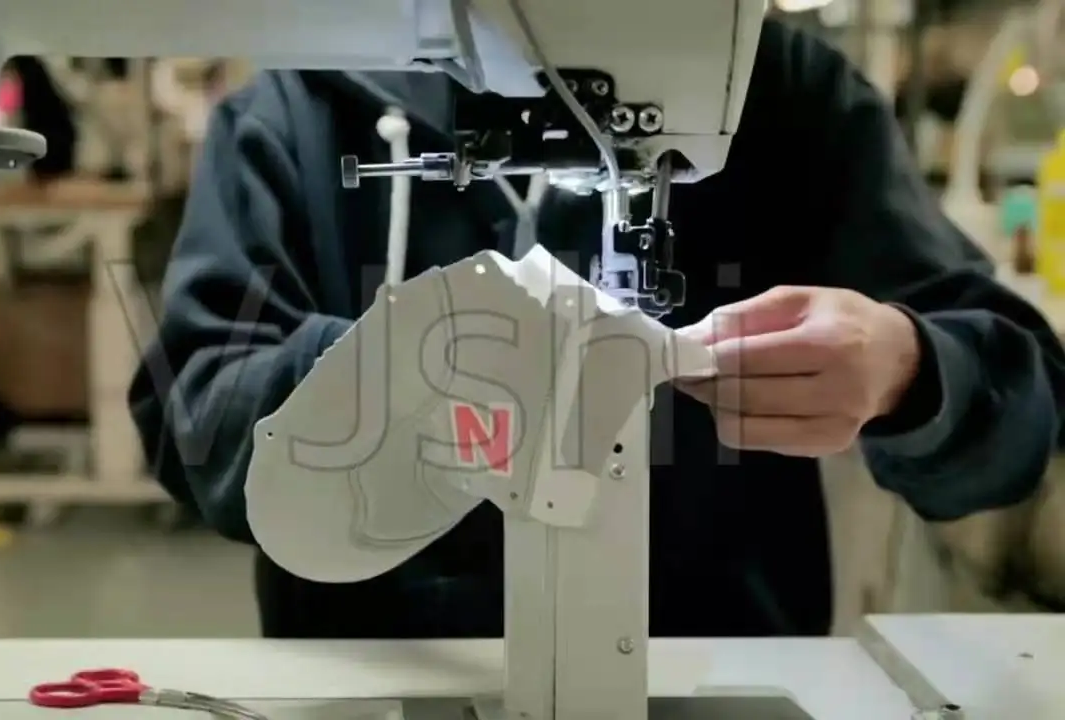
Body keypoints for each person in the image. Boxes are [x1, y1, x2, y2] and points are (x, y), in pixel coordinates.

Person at [129, 19, 1065, 639]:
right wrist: (395, 376)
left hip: (706, 659)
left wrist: (911, 369)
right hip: (378, 665)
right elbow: (191, 417)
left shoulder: (784, 94)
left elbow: (1027, 400)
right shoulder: (296, 112)